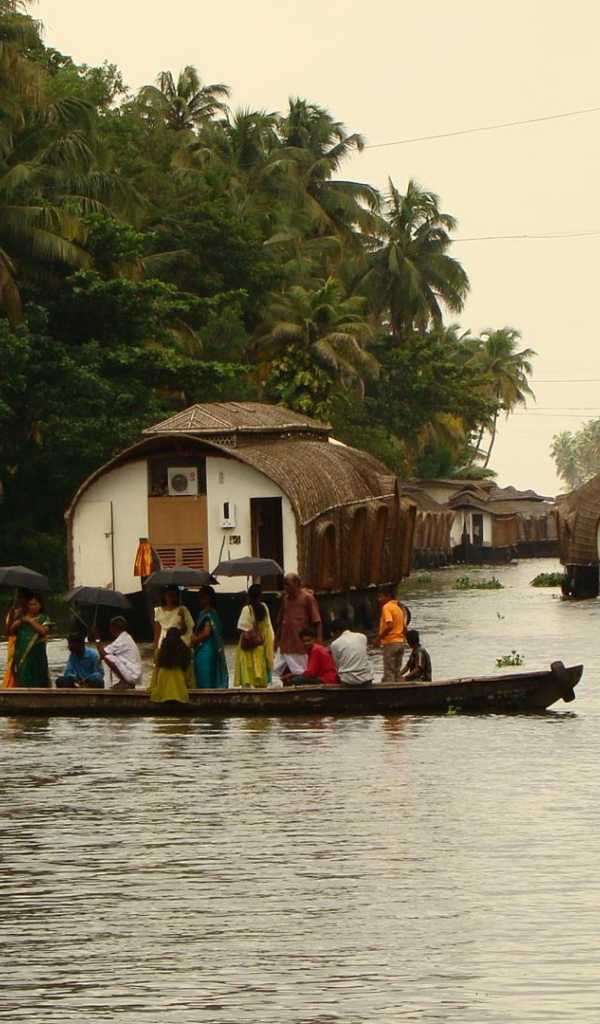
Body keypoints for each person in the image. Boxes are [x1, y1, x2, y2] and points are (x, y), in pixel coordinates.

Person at [274, 573, 322, 679]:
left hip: (300, 646)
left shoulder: (308, 598)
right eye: (284, 585)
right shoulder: (285, 599)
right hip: (284, 645)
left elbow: (317, 621)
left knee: (303, 673)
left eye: (288, 584)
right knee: (277, 672)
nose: (285, 587)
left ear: (297, 583)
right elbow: (281, 621)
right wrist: (276, 640)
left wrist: (318, 642)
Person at [234, 583, 274, 688]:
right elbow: (268, 627)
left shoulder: (246, 609)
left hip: (247, 647)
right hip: (259, 646)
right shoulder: (264, 608)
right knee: (259, 674)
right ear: (260, 595)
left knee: (247, 677)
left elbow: (241, 628)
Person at [191, 586, 229, 689]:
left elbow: (206, 633)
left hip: (206, 650)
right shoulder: (211, 613)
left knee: (205, 677)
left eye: (203, 596)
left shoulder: (208, 614)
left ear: (209, 597)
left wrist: (194, 640)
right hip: (209, 649)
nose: (200, 599)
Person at [90, 616, 142, 690]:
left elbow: (103, 654)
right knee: (108, 656)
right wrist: (100, 659)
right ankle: (125, 681)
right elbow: (104, 653)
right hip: (134, 673)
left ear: (116, 628)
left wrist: (96, 636)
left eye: (111, 628)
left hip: (132, 675)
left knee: (108, 658)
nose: (110, 630)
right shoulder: (126, 637)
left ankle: (125, 682)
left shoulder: (122, 640)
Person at [10, 594, 51, 687]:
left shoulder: (44, 618)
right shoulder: (21, 619)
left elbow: (43, 631)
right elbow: (11, 631)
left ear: (40, 605)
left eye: (35, 604)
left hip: (37, 655)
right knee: (24, 676)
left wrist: (30, 621)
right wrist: (19, 621)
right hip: (23, 656)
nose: (32, 607)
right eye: (30, 604)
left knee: (39, 677)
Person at [147, 626, 195, 704]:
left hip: (161, 693)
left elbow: (155, 674)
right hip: (180, 694)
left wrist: (151, 688)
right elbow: (189, 676)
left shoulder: (159, 653)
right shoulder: (185, 653)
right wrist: (192, 688)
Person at [373, 586, 407, 683]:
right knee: (397, 672)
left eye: (381, 597)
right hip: (400, 643)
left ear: (388, 596)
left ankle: (389, 689)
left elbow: (389, 625)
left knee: (389, 672)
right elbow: (405, 628)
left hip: (391, 643)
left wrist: (378, 639)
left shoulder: (387, 607)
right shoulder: (398, 608)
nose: (379, 599)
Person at [2, 588, 32, 688]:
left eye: (21, 597)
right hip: (15, 648)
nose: (19, 600)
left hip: (29, 648)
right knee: (13, 672)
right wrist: (11, 619)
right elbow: (8, 633)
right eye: (18, 597)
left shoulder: (33, 614)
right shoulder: (13, 614)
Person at [329, 619, 373, 686]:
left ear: (337, 631)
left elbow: (337, 665)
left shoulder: (335, 644)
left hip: (347, 681)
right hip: (366, 678)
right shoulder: (363, 637)